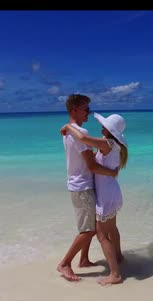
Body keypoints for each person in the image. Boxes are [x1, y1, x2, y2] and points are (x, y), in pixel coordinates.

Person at [57, 94, 119, 282]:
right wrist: (111, 173)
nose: (89, 113)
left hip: (81, 184)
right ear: (75, 109)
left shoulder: (72, 131)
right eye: (86, 109)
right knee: (89, 230)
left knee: (91, 226)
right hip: (82, 186)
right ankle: (65, 264)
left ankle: (83, 259)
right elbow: (91, 166)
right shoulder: (77, 133)